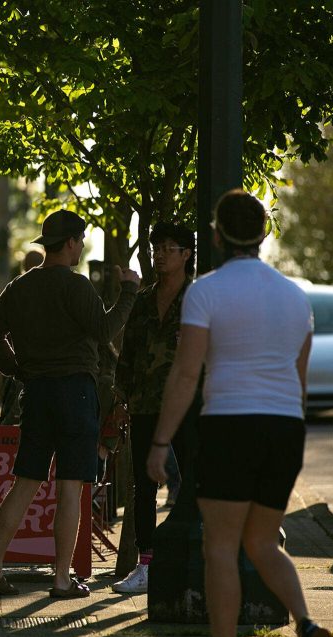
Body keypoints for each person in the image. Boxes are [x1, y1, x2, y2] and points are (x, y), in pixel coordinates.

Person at [146, 189, 333, 637]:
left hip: (230, 425)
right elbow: (297, 379)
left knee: (220, 548)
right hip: (284, 430)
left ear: (216, 234)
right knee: (263, 543)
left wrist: (161, 442)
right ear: (263, 235)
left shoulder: (205, 291)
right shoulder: (296, 297)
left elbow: (187, 374)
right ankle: (309, 627)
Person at [0, 209, 139, 598]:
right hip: (76, 394)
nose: (81, 246)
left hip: (38, 393)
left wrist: (18, 370)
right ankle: (62, 579)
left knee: (25, 481)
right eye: (80, 240)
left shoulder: (20, 286)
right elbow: (105, 331)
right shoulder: (76, 286)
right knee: (70, 488)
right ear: (70, 243)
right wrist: (129, 291)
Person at [111, 221, 197, 594]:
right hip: (145, 406)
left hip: (188, 409)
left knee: (194, 482)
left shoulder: (198, 299)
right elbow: (127, 356)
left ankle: (192, 556)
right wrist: (120, 401)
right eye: (155, 247)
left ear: (186, 254)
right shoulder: (144, 300)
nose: (159, 254)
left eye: (168, 248)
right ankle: (146, 564)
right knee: (143, 487)